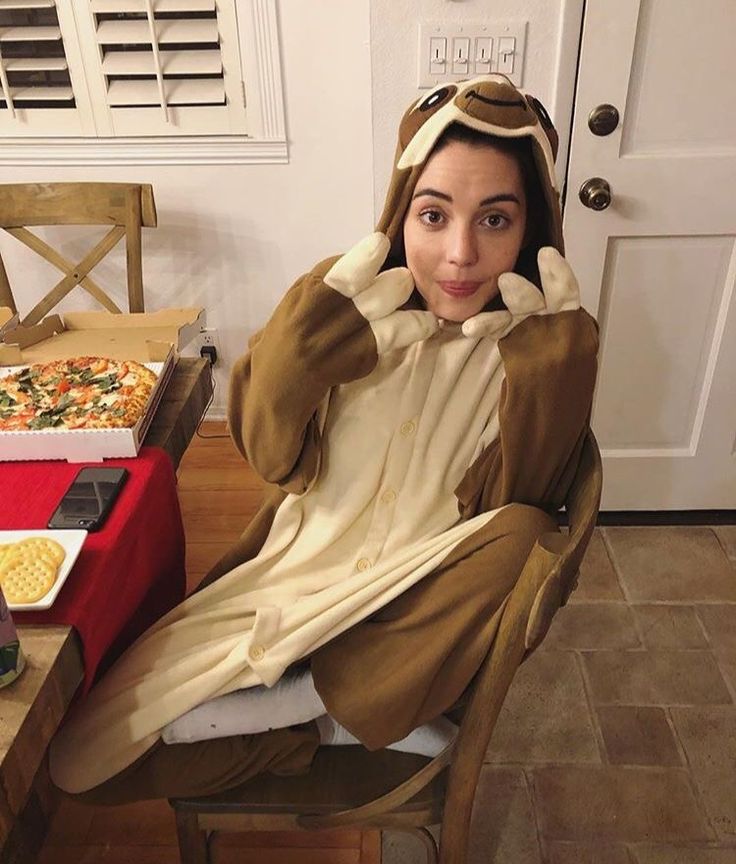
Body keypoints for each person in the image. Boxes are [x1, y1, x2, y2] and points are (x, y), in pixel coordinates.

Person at [48, 74, 598, 804]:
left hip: (415, 608)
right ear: (402, 210)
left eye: (495, 221)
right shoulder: (343, 298)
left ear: (532, 229)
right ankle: (328, 723)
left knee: (526, 534)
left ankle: (314, 701)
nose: (461, 254)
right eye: (434, 215)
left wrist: (550, 379)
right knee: (77, 767)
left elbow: (518, 505)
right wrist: (297, 359)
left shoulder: (542, 339)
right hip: (295, 579)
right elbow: (271, 457)